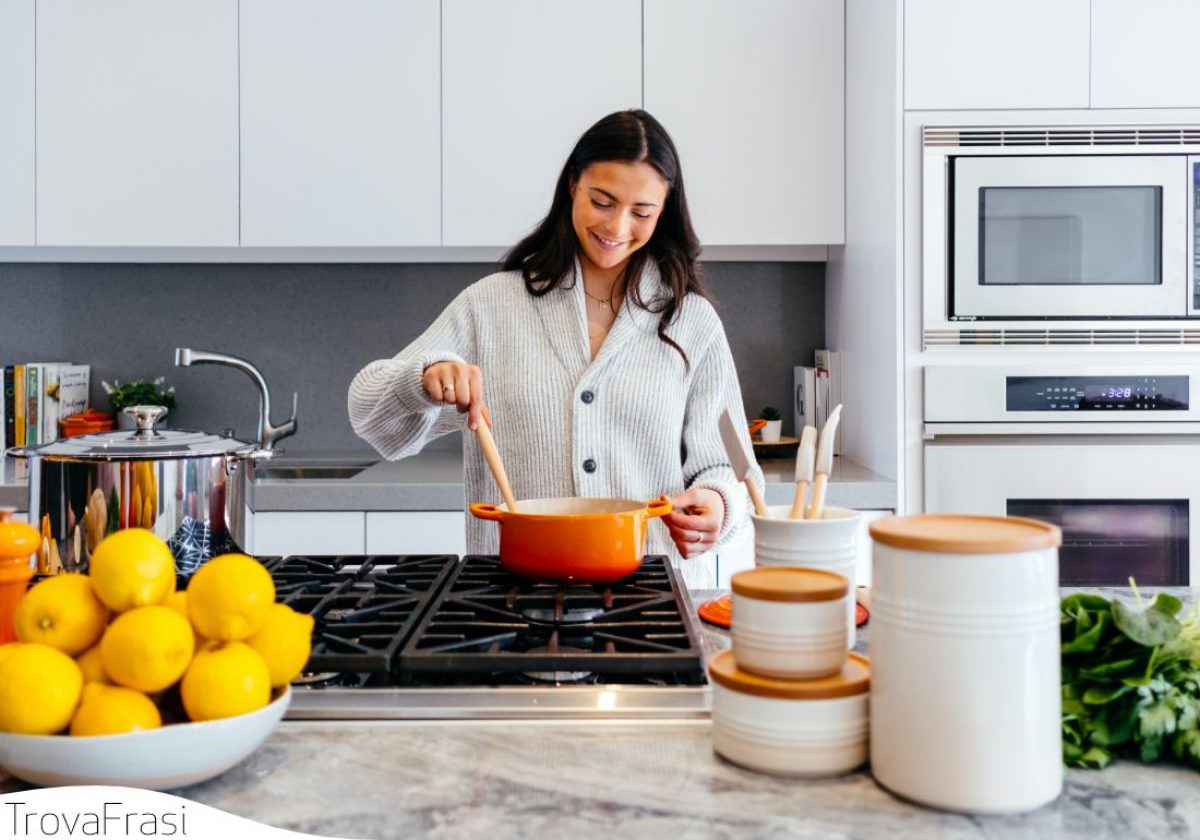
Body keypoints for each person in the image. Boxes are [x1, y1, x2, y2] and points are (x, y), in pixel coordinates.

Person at [348, 109, 763, 588]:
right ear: (572, 185)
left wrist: (716, 504)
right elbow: (369, 414)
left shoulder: (691, 321)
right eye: (602, 201)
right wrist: (423, 379)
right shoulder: (493, 305)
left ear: (665, 210)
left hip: (647, 602)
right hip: (508, 601)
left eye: (641, 212)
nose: (618, 226)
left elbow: (730, 468)